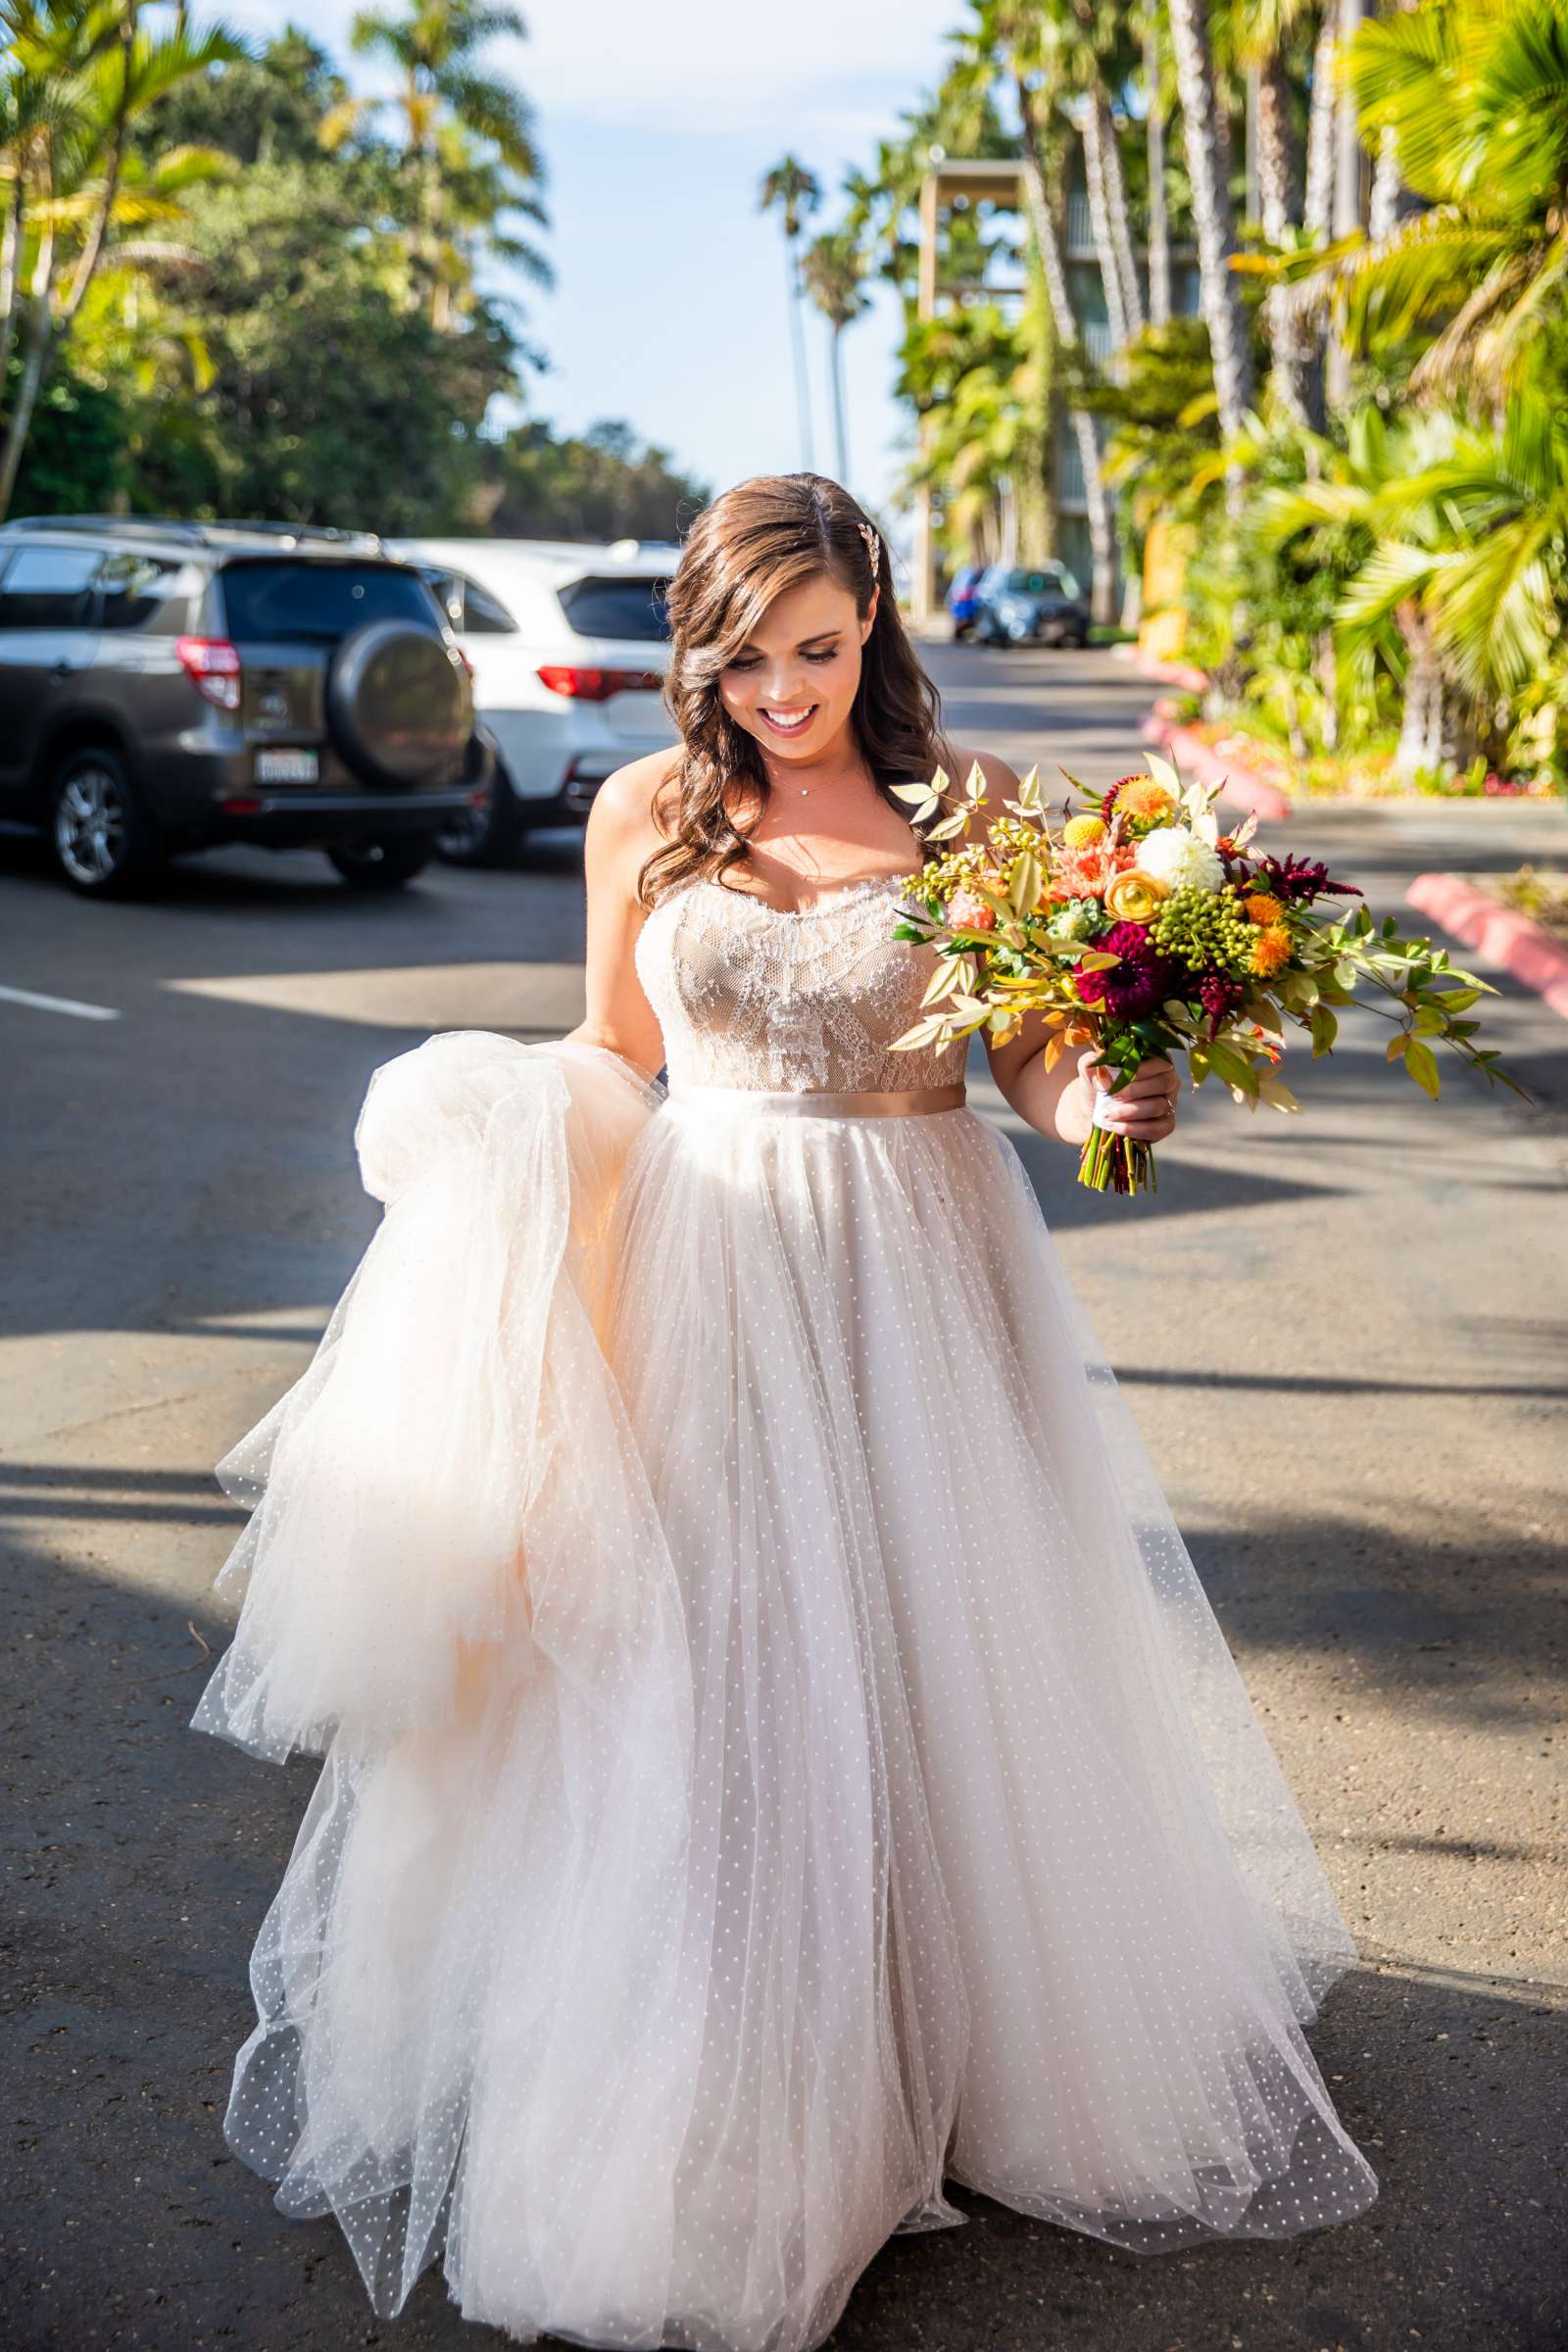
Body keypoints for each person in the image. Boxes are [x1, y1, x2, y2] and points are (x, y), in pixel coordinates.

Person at [193, 473, 1377, 2351]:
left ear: (873, 622)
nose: (783, 691)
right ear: (701, 651)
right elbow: (613, 1051)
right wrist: (491, 1125)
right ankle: (750, 2071)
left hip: (923, 1259)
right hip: (712, 1273)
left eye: (817, 651)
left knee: (938, 1640)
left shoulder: (970, 807)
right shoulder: (644, 810)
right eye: (745, 658)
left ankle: (970, 2037)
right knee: (728, 1659)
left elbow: (1034, 1049)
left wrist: (1108, 1110)